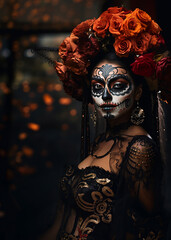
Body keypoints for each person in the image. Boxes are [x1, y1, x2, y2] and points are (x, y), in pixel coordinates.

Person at [39, 6, 171, 240]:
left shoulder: (139, 149)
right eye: (97, 88)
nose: (106, 97)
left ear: (138, 92)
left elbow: (149, 229)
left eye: (118, 85)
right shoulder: (104, 140)